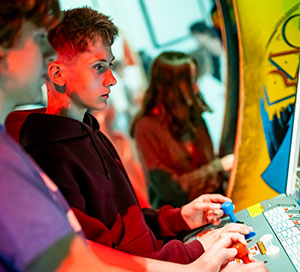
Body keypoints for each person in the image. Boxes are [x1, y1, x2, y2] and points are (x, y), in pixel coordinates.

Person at [0, 1, 268, 271]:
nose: (112, 80)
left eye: (110, 66)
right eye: (98, 67)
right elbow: (100, 257)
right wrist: (195, 250)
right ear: (57, 73)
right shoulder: (48, 154)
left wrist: (180, 217)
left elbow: (127, 225)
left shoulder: (91, 132)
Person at [130, 51, 233, 209]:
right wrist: (218, 167)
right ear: (171, 85)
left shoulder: (194, 116)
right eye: (191, 80)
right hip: (183, 219)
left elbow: (209, 165)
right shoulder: (146, 127)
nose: (196, 87)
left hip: (216, 206)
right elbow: (171, 189)